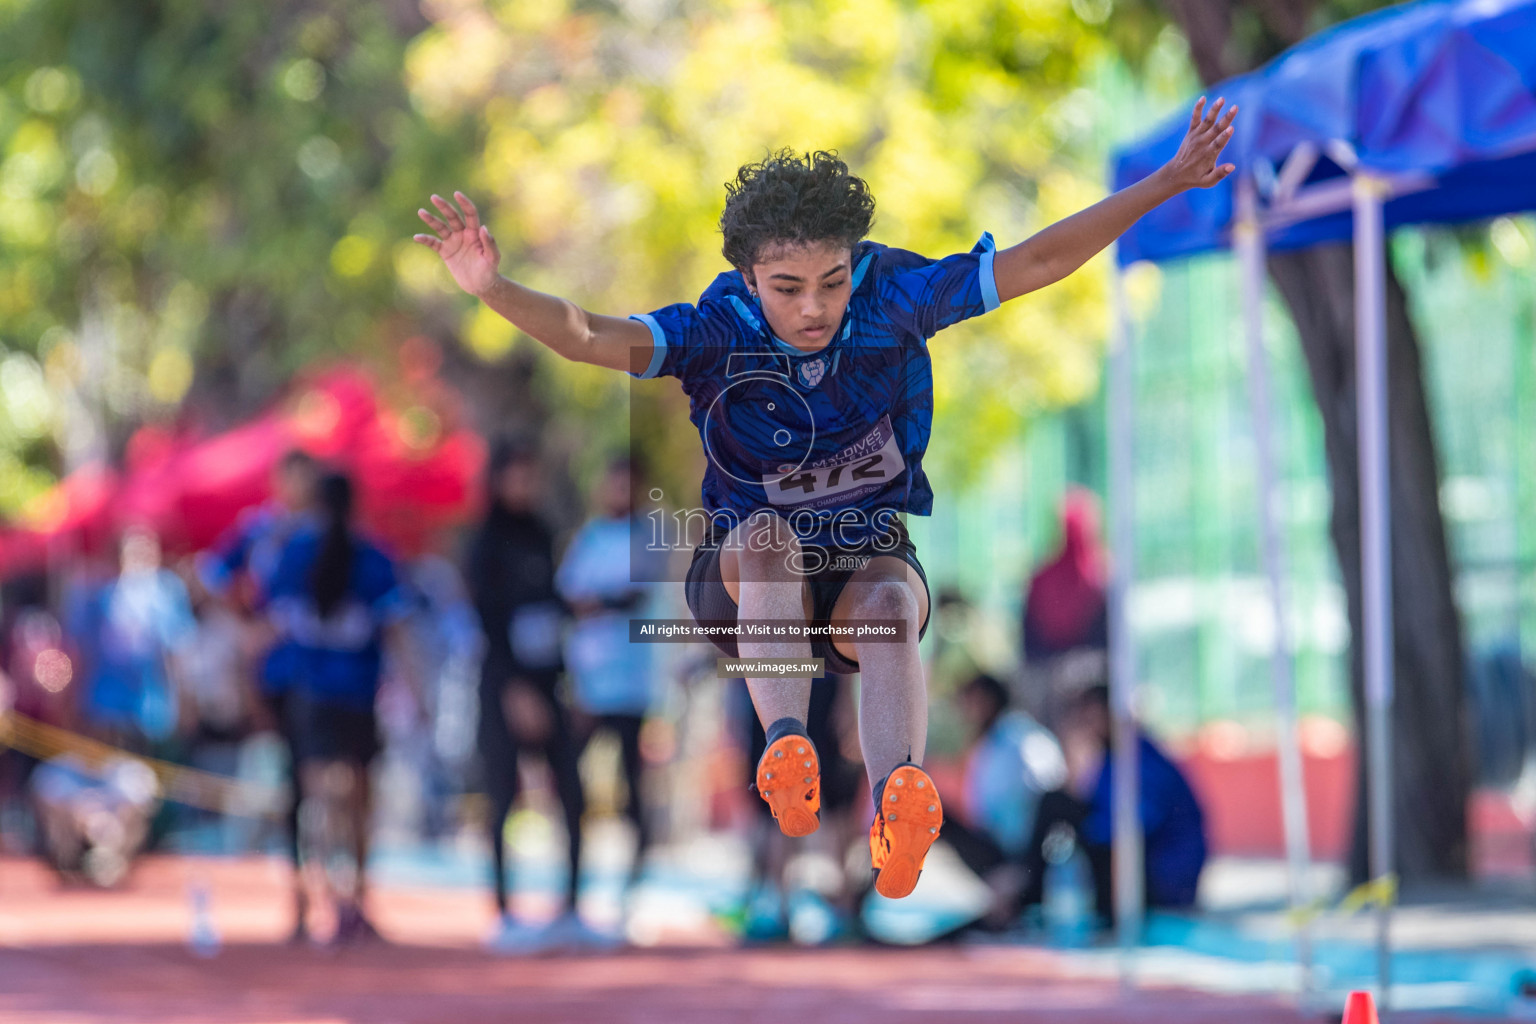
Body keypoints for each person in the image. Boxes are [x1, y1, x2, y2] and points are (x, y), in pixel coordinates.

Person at [413, 96, 1239, 899]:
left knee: (887, 599)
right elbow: (590, 334)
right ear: (747, 276)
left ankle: (898, 805)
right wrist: (495, 289)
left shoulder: (894, 296)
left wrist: (1166, 182)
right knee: (770, 539)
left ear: (857, 263)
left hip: (859, 563)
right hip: (745, 579)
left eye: (831, 281)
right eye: (786, 287)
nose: (813, 308)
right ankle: (786, 747)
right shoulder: (717, 329)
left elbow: (1036, 262)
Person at [265, 471, 409, 945]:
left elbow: (272, 622)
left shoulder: (295, 553)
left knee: (319, 797)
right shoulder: (375, 557)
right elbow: (397, 631)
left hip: (313, 695)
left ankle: (320, 895)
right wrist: (416, 692)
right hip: (357, 694)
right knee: (355, 799)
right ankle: (353, 898)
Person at [465, 441, 597, 952]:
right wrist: (514, 690)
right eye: (518, 475)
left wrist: (569, 681)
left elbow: (548, 610)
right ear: (498, 479)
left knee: (572, 793)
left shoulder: (542, 534)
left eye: (532, 475)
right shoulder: (484, 542)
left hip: (550, 682)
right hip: (503, 685)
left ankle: (570, 908)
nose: (527, 485)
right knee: (503, 797)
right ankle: (503, 913)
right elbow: (488, 621)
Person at [196, 448, 318, 939]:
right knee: (293, 778)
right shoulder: (260, 530)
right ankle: (300, 889)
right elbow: (208, 577)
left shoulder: (330, 528)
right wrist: (246, 628)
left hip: (332, 672)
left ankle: (342, 890)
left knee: (327, 779)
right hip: (280, 674)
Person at [1017, 683, 1207, 926]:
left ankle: (1027, 893)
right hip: (1142, 865)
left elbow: (1134, 825)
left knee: (1061, 809)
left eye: (1091, 714)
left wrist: (1087, 831)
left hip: (1162, 878)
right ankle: (1027, 892)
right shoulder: (1110, 757)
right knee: (1057, 804)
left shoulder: (1139, 757)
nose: (1086, 723)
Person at [557, 457, 661, 890]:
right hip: (588, 682)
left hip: (632, 682)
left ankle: (634, 878)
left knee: (631, 784)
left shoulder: (652, 535)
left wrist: (597, 603)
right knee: (570, 775)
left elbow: (636, 596)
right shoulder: (590, 537)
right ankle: (574, 877)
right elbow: (567, 595)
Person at [939, 672, 1066, 932]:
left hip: (1028, 855)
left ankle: (1013, 894)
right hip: (995, 848)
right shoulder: (984, 744)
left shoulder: (1022, 736)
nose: (965, 710)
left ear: (987, 700)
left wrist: (1022, 867)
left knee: (1051, 804)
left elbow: (1052, 796)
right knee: (933, 813)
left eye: (970, 701)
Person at [1022, 488, 1109, 729]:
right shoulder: (1101, 575)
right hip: (1084, 688)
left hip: (1054, 689)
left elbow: (1029, 645)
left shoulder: (1041, 579)